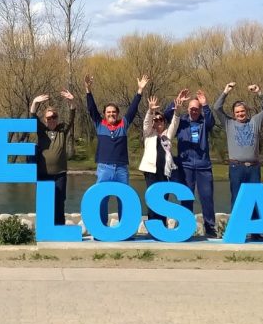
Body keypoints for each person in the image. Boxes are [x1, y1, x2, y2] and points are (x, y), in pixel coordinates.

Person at [85, 73, 147, 226]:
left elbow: (132, 110)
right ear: (104, 115)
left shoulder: (123, 125)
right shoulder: (100, 125)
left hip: (121, 168)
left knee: (124, 198)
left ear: (117, 114)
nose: (111, 114)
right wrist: (88, 90)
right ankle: (101, 227)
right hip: (104, 167)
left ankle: (124, 227)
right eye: (108, 112)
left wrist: (139, 91)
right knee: (102, 197)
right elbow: (92, 109)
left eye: (114, 112)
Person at [215, 82, 263, 240]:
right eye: (237, 112)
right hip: (236, 168)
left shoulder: (255, 122)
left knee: (255, 199)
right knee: (237, 198)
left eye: (242, 111)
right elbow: (217, 108)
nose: (240, 114)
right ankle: (237, 231)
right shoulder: (229, 124)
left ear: (246, 112)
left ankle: (255, 232)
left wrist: (259, 92)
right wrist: (225, 92)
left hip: (253, 168)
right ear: (233, 114)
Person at [163, 89, 217, 237]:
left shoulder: (204, 122)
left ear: (200, 110)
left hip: (203, 166)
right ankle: (185, 227)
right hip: (185, 166)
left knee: (207, 198)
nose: (194, 111)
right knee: (186, 197)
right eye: (191, 108)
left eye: (197, 109)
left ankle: (210, 228)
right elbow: (166, 116)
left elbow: (212, 121)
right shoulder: (182, 121)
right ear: (188, 109)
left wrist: (205, 104)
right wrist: (176, 102)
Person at [29, 90, 76, 226]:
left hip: (60, 175)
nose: (52, 120)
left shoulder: (62, 130)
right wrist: (35, 102)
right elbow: (33, 117)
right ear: (45, 119)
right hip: (43, 174)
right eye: (49, 118)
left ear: (57, 118)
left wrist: (72, 101)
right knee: (45, 202)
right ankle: (45, 228)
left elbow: (72, 116)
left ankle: (59, 228)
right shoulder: (42, 131)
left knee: (60, 201)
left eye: (54, 117)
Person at [138, 91, 185, 226]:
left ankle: (162, 226)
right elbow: (146, 123)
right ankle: (152, 226)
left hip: (164, 172)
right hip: (151, 172)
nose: (158, 122)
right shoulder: (148, 134)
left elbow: (175, 123)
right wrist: (150, 111)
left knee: (164, 199)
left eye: (161, 120)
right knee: (152, 199)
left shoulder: (167, 135)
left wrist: (177, 112)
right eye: (156, 120)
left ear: (164, 122)